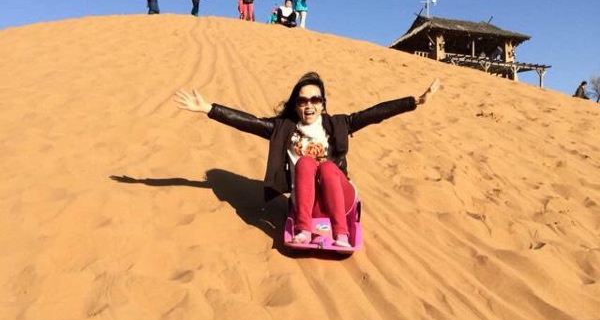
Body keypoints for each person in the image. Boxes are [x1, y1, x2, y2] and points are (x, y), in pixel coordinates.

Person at [174, 72, 440, 248]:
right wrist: (209, 109)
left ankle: (341, 232)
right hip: (306, 205)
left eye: (315, 99)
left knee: (327, 167)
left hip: (341, 200)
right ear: (296, 105)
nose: (309, 105)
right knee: (305, 163)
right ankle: (303, 229)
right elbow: (249, 122)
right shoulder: (282, 128)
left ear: (323, 104)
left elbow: (374, 113)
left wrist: (415, 101)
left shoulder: (339, 124)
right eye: (302, 101)